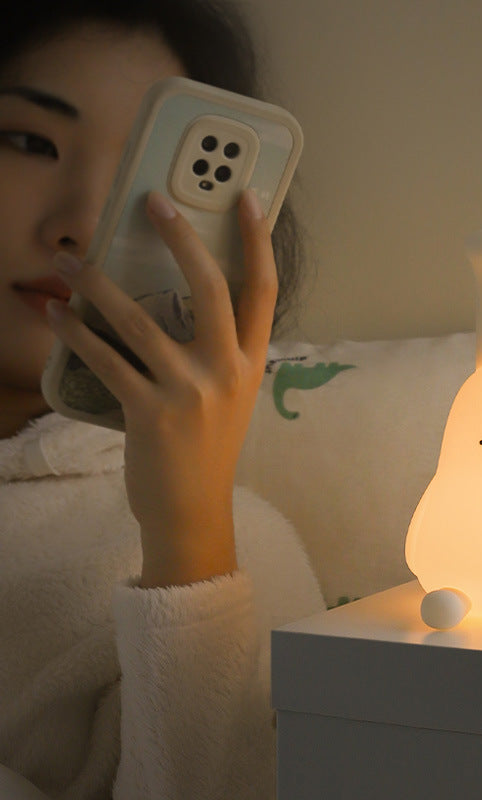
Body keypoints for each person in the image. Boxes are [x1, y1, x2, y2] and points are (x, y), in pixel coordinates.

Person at [0, 1, 325, 797]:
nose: (79, 224)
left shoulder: (234, 552)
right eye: (30, 143)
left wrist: (189, 545)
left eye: (135, 171)